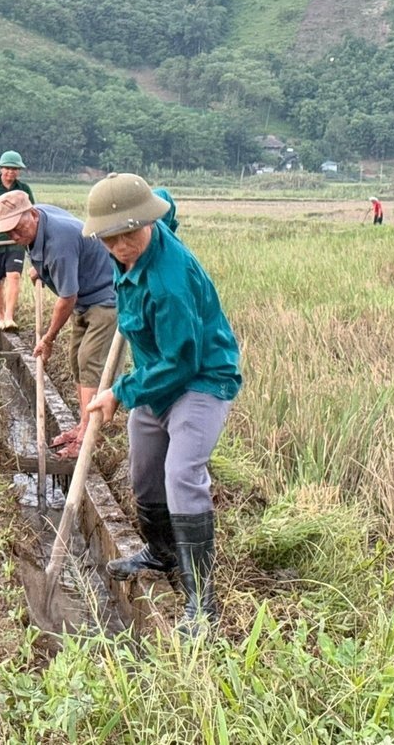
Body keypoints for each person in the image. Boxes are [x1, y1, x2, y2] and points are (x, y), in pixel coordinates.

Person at [82, 173, 241, 635]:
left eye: (130, 235)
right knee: (144, 469)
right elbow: (167, 203)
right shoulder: (144, 226)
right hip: (157, 378)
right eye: (111, 238)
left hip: (200, 378)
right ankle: (161, 551)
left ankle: (201, 603)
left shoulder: (169, 282)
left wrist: (120, 392)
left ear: (145, 225)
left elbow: (181, 361)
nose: (120, 246)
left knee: (182, 473)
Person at [0, 189, 117, 458]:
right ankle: (83, 425)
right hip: (85, 297)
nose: (14, 237)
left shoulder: (58, 242)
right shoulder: (39, 221)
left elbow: (67, 298)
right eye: (8, 233)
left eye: (17, 229)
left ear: (33, 215)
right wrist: (41, 268)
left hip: (105, 297)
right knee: (75, 359)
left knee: (89, 360)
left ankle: (88, 435)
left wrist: (48, 338)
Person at [0, 150, 34, 331]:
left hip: (16, 241)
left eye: (15, 169)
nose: (11, 172)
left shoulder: (24, 190)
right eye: (8, 168)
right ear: (1, 168)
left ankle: (9, 317)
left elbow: (32, 214)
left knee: (14, 276)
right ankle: (1, 317)